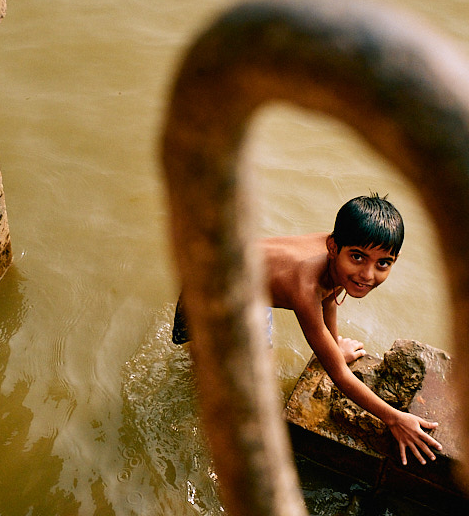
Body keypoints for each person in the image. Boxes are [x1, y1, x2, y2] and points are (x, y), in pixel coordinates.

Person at [173, 194, 442, 465]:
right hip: (209, 291)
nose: (368, 274)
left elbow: (331, 293)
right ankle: (191, 413)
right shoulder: (305, 287)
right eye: (358, 258)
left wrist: (334, 344)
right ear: (333, 247)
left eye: (383, 262)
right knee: (217, 383)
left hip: (245, 287)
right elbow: (337, 372)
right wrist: (394, 418)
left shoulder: (341, 249)